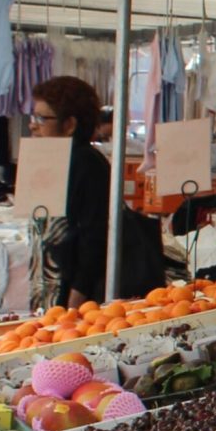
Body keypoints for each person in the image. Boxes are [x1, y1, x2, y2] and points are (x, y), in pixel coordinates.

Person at [32, 76, 167, 304]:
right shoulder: (55, 161)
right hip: (56, 283)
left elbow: (95, 235)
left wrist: (77, 295)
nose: (32, 124)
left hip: (79, 293)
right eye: (33, 116)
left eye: (41, 118)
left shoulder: (86, 164)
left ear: (69, 125)